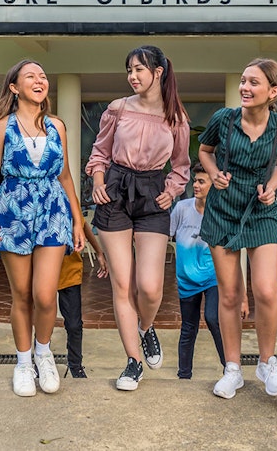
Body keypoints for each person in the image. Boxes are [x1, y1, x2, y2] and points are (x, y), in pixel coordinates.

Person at [85, 44, 191, 391]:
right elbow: (99, 152)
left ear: (157, 72)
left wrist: (172, 190)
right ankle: (133, 362)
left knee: (150, 286)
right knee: (122, 285)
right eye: (129, 70)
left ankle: (145, 328)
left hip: (152, 193)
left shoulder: (175, 118)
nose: (132, 76)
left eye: (139, 70)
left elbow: (181, 166)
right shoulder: (117, 109)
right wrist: (99, 181)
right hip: (115, 189)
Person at [0, 59, 86, 398]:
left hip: (53, 212)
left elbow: (65, 176)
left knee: (44, 293)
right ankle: (23, 362)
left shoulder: (57, 126)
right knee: (22, 295)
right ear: (14, 88)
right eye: (30, 76)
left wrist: (78, 220)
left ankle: (43, 353)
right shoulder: (1, 128)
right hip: (14, 212)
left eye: (43, 75)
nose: (40, 80)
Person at [197, 58, 277, 399]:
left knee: (266, 291)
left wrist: (272, 185)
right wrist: (213, 174)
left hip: (261, 209)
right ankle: (233, 369)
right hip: (223, 209)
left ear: (272, 91)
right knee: (229, 294)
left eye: (253, 83)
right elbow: (204, 151)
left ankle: (268, 363)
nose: (245, 88)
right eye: (243, 81)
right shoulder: (223, 120)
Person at [171, 162, 247, 379]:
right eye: (195, 180)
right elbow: (165, 237)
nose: (195, 185)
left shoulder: (222, 214)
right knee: (188, 329)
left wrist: (242, 297)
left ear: (214, 185)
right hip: (186, 280)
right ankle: (184, 376)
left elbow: (234, 258)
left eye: (201, 181)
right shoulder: (181, 209)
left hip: (214, 278)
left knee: (214, 318)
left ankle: (231, 369)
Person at [57, 219, 108, 378]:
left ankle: (75, 365)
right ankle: (40, 361)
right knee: (42, 320)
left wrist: (99, 252)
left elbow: (83, 224)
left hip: (69, 270)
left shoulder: (71, 203)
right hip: (43, 271)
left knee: (74, 324)